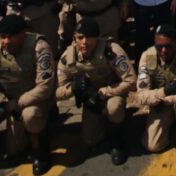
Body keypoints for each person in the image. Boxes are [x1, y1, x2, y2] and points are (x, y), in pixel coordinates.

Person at [0, 15, 56, 175]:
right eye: (2, 37)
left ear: (23, 34)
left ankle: (41, 151)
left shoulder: (39, 47)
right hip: (14, 105)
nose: (6, 42)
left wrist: (13, 105)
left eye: (11, 37)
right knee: (14, 150)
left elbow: (45, 88)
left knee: (31, 116)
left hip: (38, 100)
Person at [56, 18, 136, 165]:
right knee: (89, 139)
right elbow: (57, 92)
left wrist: (103, 93)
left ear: (98, 37)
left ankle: (117, 141)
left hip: (111, 93)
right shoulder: (67, 58)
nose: (84, 42)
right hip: (90, 100)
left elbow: (131, 80)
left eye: (89, 37)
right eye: (80, 38)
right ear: (74, 37)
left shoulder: (111, 50)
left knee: (114, 108)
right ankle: (103, 121)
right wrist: (72, 88)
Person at [135, 24, 176, 158]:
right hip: (159, 103)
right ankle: (169, 121)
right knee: (152, 146)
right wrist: (163, 92)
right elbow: (141, 96)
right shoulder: (146, 57)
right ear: (155, 43)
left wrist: (169, 99)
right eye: (159, 46)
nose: (163, 50)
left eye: (168, 46)